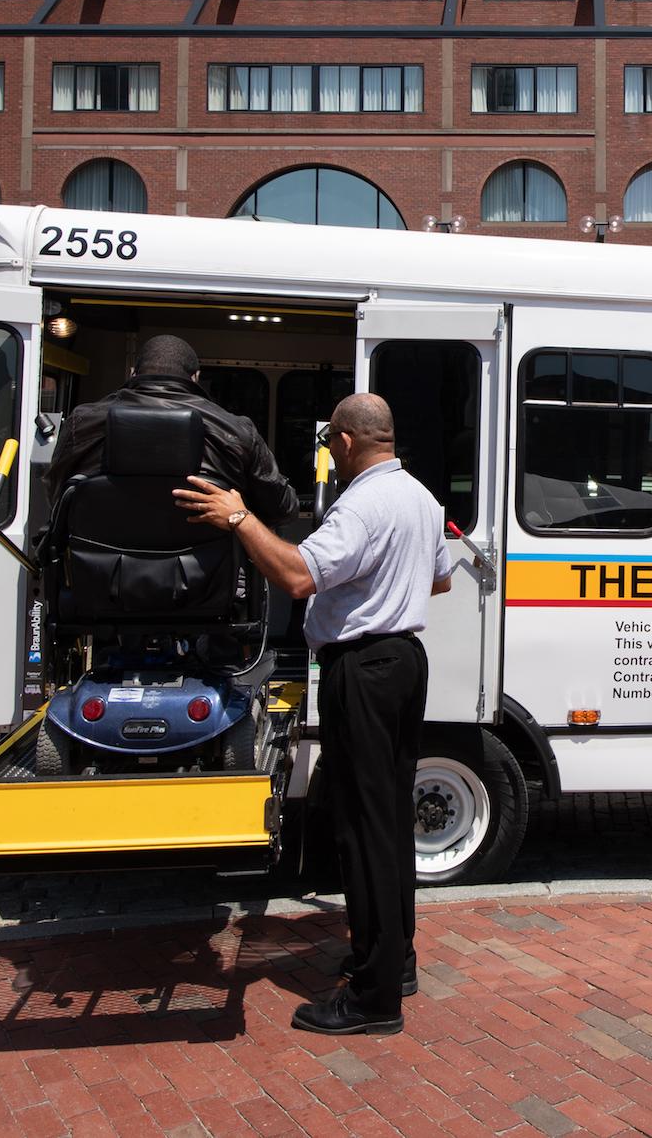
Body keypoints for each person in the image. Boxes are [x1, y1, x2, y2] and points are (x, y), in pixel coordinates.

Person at [175, 393, 449, 1037]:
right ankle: (394, 960)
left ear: (348, 442)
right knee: (386, 820)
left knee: (364, 826)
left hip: (366, 668)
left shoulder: (362, 502)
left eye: (330, 441)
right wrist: (384, 577)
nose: (329, 450)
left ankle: (375, 998)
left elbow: (297, 577)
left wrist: (239, 517)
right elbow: (438, 579)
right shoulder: (419, 497)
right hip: (405, 660)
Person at [32, 333, 296, 550]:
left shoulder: (83, 422)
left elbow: (58, 494)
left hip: (94, 584)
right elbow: (281, 508)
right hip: (208, 589)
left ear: (133, 372)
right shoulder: (237, 430)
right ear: (196, 377)